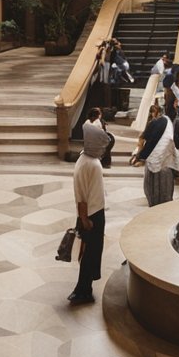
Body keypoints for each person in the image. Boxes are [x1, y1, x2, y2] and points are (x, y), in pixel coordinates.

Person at [70, 117, 108, 305]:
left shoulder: (85, 159)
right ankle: (82, 290)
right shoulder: (91, 164)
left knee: (90, 253)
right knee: (90, 254)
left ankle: (85, 288)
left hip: (90, 214)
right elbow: (82, 197)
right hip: (92, 216)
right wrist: (85, 220)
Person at [136, 102, 179, 206]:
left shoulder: (154, 123)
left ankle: (155, 203)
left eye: (153, 112)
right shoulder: (166, 121)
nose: (152, 114)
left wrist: (140, 155)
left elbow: (142, 139)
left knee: (156, 184)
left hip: (157, 158)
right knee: (164, 184)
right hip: (165, 157)